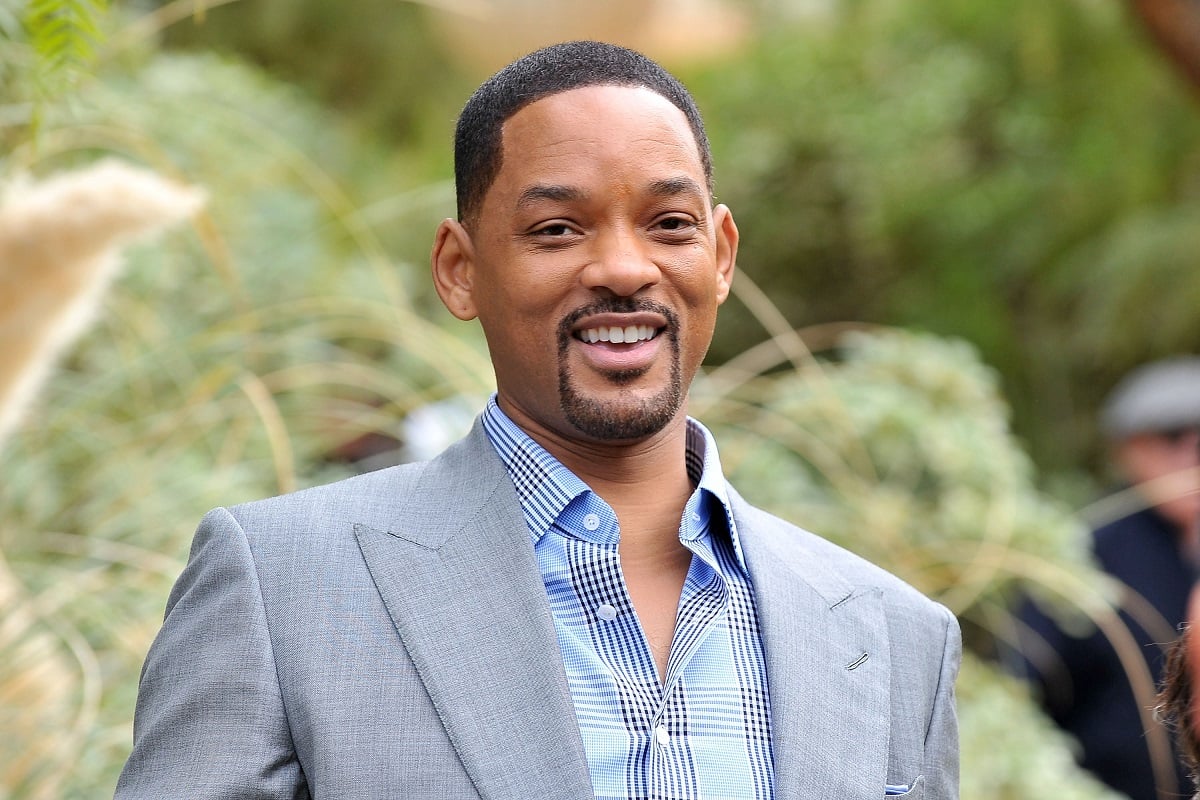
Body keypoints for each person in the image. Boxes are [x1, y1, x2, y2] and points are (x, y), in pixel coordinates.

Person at [115, 41, 961, 799]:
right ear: (459, 270)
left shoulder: (894, 635)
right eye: (557, 229)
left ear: (722, 253)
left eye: (670, 224)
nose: (625, 269)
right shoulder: (283, 586)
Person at [1016, 357, 1200, 800]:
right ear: (1127, 450)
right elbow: (1026, 688)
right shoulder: (1082, 549)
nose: (1193, 454)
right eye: (1173, 437)